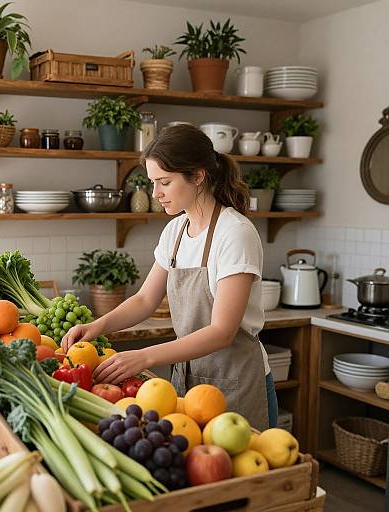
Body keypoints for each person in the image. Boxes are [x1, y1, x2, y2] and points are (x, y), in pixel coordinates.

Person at [62, 124, 277, 430]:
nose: (156, 193)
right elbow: (145, 300)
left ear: (198, 176)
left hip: (236, 383)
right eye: (152, 183)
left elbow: (222, 331)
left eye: (164, 182)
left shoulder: (235, 234)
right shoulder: (175, 231)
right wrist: (97, 327)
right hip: (188, 379)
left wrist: (144, 357)